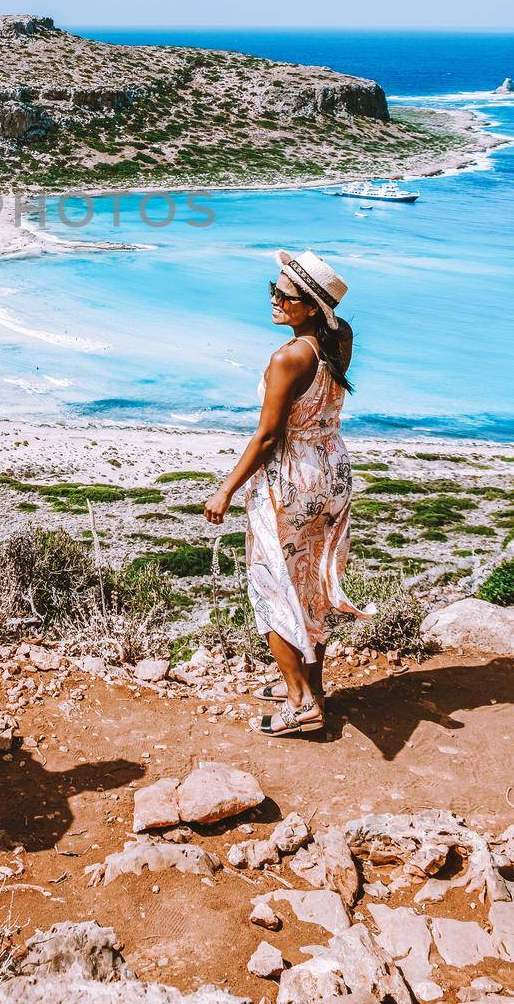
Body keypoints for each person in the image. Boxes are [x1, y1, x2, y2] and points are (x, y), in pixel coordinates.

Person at [203, 250, 372, 737]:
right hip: (332, 468)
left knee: (273, 586)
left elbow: (268, 436)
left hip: (291, 476)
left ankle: (301, 702)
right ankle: (309, 687)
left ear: (312, 306)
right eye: (272, 289)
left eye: (286, 295)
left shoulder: (288, 358)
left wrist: (226, 490)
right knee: (310, 585)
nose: (275, 299)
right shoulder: (339, 339)